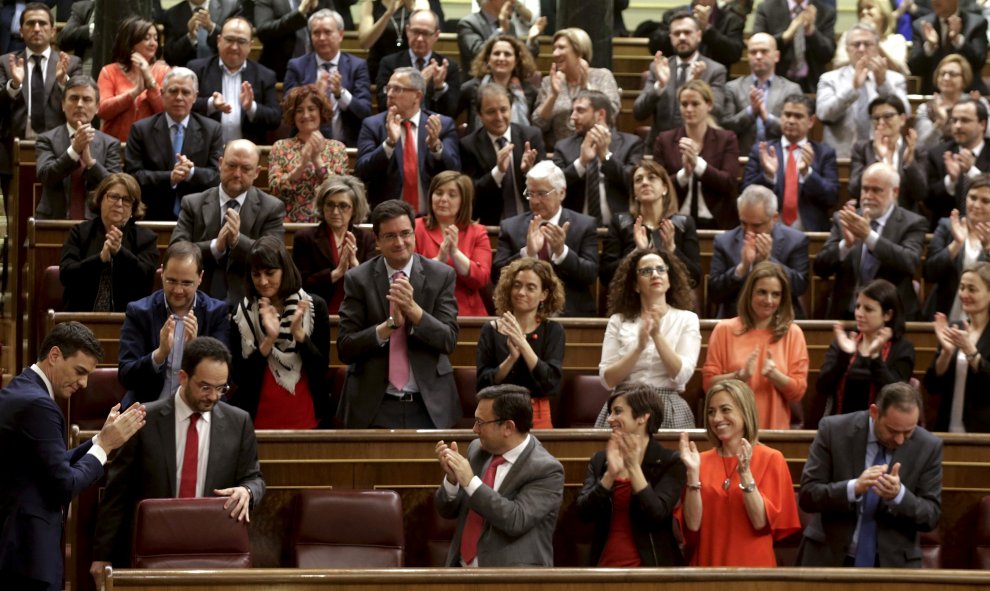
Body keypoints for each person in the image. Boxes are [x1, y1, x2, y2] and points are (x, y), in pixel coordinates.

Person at [90, 336, 266, 585]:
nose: (214, 396)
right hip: (153, 550)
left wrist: (248, 490)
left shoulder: (239, 423)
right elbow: (117, 492)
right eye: (205, 387)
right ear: (183, 377)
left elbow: (254, 477)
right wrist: (102, 556)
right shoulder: (144, 420)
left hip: (212, 548)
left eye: (221, 388)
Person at [0, 321, 145, 591]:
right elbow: (64, 484)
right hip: (26, 556)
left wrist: (100, 439)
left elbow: (52, 463)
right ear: (54, 355)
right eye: (79, 372)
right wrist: (105, 447)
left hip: (19, 551)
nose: (84, 383)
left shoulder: (24, 390)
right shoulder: (39, 404)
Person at [337, 199, 460, 429]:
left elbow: (448, 340)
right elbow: (345, 347)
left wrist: (415, 312)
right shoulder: (358, 279)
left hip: (429, 404)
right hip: (374, 405)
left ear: (414, 234)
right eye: (390, 236)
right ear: (377, 241)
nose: (400, 242)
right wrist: (389, 327)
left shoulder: (441, 276)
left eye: (405, 233)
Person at [797, 382, 942, 567]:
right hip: (829, 559)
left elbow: (931, 516)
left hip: (892, 566)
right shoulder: (834, 430)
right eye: (892, 430)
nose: (900, 440)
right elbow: (808, 495)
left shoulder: (928, 446)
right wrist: (853, 488)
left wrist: (899, 496)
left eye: (908, 432)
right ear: (874, 412)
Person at [434, 385, 565, 567]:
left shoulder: (547, 470)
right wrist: (452, 481)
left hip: (512, 580)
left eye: (480, 422)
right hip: (460, 572)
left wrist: (471, 482)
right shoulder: (478, 450)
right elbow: (447, 511)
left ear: (508, 427)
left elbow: (515, 520)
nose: (474, 429)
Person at [677, 379, 801, 565]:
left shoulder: (771, 458)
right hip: (707, 565)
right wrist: (693, 475)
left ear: (745, 412)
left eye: (725, 410)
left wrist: (745, 474)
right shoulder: (698, 461)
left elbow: (760, 522)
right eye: (711, 412)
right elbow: (693, 525)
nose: (717, 418)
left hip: (753, 569)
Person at [576, 383, 686, 567]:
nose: (610, 419)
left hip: (652, 571)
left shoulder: (670, 461)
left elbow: (656, 515)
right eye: (610, 412)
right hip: (604, 567)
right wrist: (609, 476)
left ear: (643, 416)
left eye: (618, 411)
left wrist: (634, 468)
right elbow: (583, 513)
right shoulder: (600, 460)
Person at [229, 236, 330, 429]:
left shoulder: (314, 306)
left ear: (285, 270)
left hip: (305, 411)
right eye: (256, 274)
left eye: (270, 273)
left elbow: (320, 369)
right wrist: (268, 340)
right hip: (257, 415)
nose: (263, 281)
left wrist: (299, 334)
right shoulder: (241, 313)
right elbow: (241, 377)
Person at [171, 139, 286, 305]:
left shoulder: (271, 207)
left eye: (246, 168)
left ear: (257, 172)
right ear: (220, 164)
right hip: (198, 300)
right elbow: (176, 251)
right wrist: (215, 247)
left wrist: (238, 241)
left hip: (251, 302)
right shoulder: (193, 203)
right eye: (231, 165)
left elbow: (274, 257)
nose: (237, 174)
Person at [595, 248, 700, 430]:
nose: (654, 274)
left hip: (666, 404)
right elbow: (608, 379)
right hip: (624, 402)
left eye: (661, 269)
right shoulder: (618, 321)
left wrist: (657, 336)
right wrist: (639, 348)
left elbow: (681, 374)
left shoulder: (687, 319)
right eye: (646, 271)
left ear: (669, 280)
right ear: (635, 285)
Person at [118, 241, 231, 407]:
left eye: (186, 283)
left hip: (199, 410)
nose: (178, 290)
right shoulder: (139, 312)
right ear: (162, 272)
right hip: (147, 411)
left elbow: (224, 376)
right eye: (171, 281)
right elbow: (126, 376)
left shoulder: (216, 313)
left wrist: (196, 348)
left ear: (200, 278)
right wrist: (159, 355)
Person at [703, 261, 809, 430]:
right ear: (750, 293)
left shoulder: (793, 333)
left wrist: (775, 375)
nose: (769, 300)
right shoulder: (724, 330)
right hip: (732, 430)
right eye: (762, 292)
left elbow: (798, 391)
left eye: (776, 294)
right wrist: (740, 376)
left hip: (774, 430)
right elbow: (709, 384)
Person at [816, 163, 928, 320]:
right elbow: (821, 269)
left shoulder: (912, 223)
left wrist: (868, 236)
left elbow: (909, 262)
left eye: (876, 190)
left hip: (892, 318)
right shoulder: (844, 219)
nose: (868, 196)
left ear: (895, 192)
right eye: (865, 189)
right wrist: (845, 246)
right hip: (847, 316)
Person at [493, 160, 599, 317]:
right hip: (521, 314)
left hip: (570, 314)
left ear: (561, 193)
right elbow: (497, 274)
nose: (535, 201)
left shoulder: (584, 225)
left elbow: (590, 275)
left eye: (542, 194)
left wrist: (562, 253)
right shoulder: (511, 227)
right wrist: (527, 254)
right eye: (530, 194)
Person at [0, 3, 82, 203]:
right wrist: (14, 85)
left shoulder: (70, 63)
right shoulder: (6, 62)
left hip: (58, 153)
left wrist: (64, 83)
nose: (37, 28)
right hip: (14, 153)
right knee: (16, 218)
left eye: (42, 23)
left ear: (53, 30)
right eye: (30, 23)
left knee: (55, 218)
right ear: (21, 30)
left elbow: (82, 106)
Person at [124, 67, 223, 221]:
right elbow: (132, 176)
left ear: (195, 97)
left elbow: (217, 176)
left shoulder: (212, 130)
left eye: (186, 92)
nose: (179, 97)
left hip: (197, 218)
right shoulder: (141, 129)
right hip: (151, 215)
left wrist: (190, 173)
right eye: (173, 91)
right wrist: (170, 177)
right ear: (162, 94)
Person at [477, 257, 565, 429]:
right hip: (496, 414)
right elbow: (482, 384)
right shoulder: (491, 330)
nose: (521, 292)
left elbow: (551, 384)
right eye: (517, 285)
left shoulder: (553, 330)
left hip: (537, 414)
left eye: (530, 288)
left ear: (544, 294)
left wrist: (523, 345)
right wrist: (511, 359)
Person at [357, 66, 460, 211]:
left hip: (431, 218)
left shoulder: (441, 124)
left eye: (397, 89)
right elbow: (362, 173)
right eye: (389, 88)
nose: (390, 94)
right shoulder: (373, 125)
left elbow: (455, 171)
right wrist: (389, 144)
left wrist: (436, 146)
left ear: (417, 96)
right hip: (388, 218)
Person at [817, 279, 915, 420]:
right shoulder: (844, 342)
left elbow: (897, 398)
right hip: (841, 426)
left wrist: (875, 357)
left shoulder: (902, 348)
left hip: (880, 430)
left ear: (888, 315)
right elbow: (823, 387)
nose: (859, 313)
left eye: (868, 309)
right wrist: (844, 356)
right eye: (857, 307)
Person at [58, 172, 158, 312]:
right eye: (113, 197)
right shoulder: (80, 232)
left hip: (129, 320)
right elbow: (66, 275)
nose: (119, 204)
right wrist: (100, 259)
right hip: (81, 317)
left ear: (132, 208)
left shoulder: (146, 238)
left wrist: (119, 252)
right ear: (100, 199)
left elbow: (146, 282)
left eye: (126, 200)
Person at [708, 184, 809, 319]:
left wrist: (769, 261)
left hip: (780, 320)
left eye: (756, 225)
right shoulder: (724, 242)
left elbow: (799, 287)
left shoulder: (795, 240)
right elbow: (714, 293)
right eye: (744, 223)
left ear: (774, 218)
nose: (749, 231)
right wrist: (742, 268)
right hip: (735, 320)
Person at [741, 94, 838, 232]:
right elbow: (745, 193)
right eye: (787, 115)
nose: (791, 120)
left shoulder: (824, 153)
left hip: (810, 233)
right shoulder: (762, 151)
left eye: (798, 116)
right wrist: (768, 176)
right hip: (768, 232)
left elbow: (831, 198)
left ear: (811, 121)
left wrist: (807, 173)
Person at [652, 79, 739, 231]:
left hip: (717, 221)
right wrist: (684, 174)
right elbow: (658, 186)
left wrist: (697, 164)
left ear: (709, 105)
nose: (689, 109)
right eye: (684, 104)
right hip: (674, 222)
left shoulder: (727, 139)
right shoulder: (664, 140)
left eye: (695, 104)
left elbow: (729, 183)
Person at [815, 23, 910, 159]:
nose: (862, 49)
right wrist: (852, 89)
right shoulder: (830, 79)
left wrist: (883, 84)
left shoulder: (895, 79)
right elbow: (824, 114)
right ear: (847, 49)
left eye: (867, 44)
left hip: (882, 157)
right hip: (841, 157)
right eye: (856, 44)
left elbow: (904, 114)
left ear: (877, 48)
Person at [633, 12, 727, 149]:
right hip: (660, 148)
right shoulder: (658, 68)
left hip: (700, 148)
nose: (682, 37)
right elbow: (639, 113)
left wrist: (697, 86)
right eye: (677, 34)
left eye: (687, 32)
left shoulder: (715, 70)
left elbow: (717, 112)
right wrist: (660, 86)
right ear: (670, 38)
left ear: (699, 35)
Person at [601, 160, 700, 288]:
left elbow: (695, 279)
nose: (645, 183)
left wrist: (672, 250)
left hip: (673, 299)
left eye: (651, 178)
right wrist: (636, 252)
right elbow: (605, 277)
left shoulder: (683, 224)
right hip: (631, 298)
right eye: (638, 180)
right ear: (634, 193)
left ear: (665, 188)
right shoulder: (621, 223)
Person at [552, 89, 644, 226]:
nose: (573, 116)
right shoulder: (563, 147)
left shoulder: (631, 144)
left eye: (580, 111)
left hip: (621, 229)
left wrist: (606, 157)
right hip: (575, 228)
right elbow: (554, 186)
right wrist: (581, 163)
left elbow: (633, 184)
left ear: (600, 114)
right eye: (573, 111)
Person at [35, 74, 121, 219]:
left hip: (96, 224)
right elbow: (46, 177)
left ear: (97, 107)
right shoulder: (46, 139)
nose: (80, 104)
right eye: (74, 98)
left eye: (87, 99)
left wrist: (91, 163)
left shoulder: (110, 143)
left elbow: (115, 188)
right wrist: (74, 151)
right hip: (53, 222)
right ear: (63, 104)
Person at [459, 82, 545, 226]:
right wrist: (498, 172)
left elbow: (548, 186)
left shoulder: (531, 136)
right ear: (480, 115)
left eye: (504, 110)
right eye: (491, 111)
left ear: (511, 109)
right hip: (493, 226)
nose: (499, 117)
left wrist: (529, 172)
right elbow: (472, 194)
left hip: (533, 221)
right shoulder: (468, 145)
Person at [284, 9, 373, 147]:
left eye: (327, 32)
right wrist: (313, 92)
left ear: (341, 35)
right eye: (316, 33)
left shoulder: (357, 66)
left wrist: (340, 93)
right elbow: (287, 107)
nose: (322, 38)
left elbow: (364, 111)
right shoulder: (297, 65)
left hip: (347, 147)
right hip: (304, 146)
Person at [187, 16, 281, 147]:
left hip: (248, 157)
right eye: (229, 40)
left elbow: (275, 119)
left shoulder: (265, 76)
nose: (234, 47)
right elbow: (185, 105)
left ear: (250, 45)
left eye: (241, 41)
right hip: (205, 153)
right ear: (219, 41)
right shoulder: (197, 70)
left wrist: (251, 108)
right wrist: (210, 104)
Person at [292, 175, 376, 314]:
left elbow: (374, 285)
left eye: (343, 206)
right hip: (317, 311)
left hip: (358, 312)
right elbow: (300, 284)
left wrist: (355, 266)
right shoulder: (305, 238)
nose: (336, 212)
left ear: (354, 209)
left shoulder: (366, 239)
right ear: (322, 206)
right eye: (330, 205)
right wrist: (336, 274)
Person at [414, 171, 492, 316]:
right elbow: (409, 274)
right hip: (426, 310)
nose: (443, 199)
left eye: (452, 195)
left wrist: (455, 254)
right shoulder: (416, 228)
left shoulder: (477, 232)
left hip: (468, 312)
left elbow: (481, 278)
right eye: (439, 193)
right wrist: (438, 261)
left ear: (463, 200)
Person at [924, 262, 990, 432]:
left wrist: (971, 352)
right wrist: (946, 353)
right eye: (961, 288)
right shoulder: (955, 328)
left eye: (972, 289)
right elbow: (932, 385)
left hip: (982, 431)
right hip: (946, 426)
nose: (964, 294)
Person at [268, 84, 348, 222]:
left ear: (321, 112)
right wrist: (301, 166)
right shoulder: (280, 147)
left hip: (327, 224)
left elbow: (341, 191)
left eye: (311, 109)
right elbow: (275, 190)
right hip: (289, 224)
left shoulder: (337, 148)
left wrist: (317, 161)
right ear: (293, 115)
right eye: (299, 110)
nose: (305, 115)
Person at [532, 27, 620, 148]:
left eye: (561, 48)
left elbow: (611, 115)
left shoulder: (602, 76)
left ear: (579, 51)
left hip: (598, 148)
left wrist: (586, 88)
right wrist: (552, 97)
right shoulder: (549, 81)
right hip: (562, 153)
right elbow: (538, 124)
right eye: (554, 49)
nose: (555, 54)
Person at [720, 33, 803, 157]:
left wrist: (767, 118)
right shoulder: (732, 87)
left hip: (780, 160)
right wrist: (750, 112)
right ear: (747, 56)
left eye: (764, 51)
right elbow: (725, 128)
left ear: (776, 56)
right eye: (753, 52)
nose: (758, 56)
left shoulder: (791, 89)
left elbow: (797, 130)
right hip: (742, 160)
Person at [96, 16, 171, 143]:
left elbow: (167, 112)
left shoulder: (163, 71)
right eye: (147, 38)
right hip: (114, 147)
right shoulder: (109, 71)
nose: (153, 43)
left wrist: (150, 81)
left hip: (150, 147)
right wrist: (134, 93)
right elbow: (102, 111)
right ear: (131, 41)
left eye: (156, 38)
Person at [374, 9, 461, 118]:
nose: (420, 39)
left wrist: (440, 87)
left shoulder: (447, 67)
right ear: (407, 31)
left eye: (425, 33)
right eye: (415, 32)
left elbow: (451, 112)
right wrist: (420, 81)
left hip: (436, 127)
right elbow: (383, 106)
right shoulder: (389, 63)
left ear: (436, 35)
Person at [924, 176, 990, 319]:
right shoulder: (947, 227)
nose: (977, 205)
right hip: (944, 314)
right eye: (972, 198)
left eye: (985, 201)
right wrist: (956, 245)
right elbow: (929, 273)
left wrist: (988, 249)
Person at [848, 95, 926, 215]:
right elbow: (854, 189)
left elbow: (920, 193)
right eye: (876, 118)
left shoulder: (916, 149)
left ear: (902, 119)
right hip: (869, 216)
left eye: (887, 116)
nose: (881, 122)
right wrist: (879, 159)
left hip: (906, 220)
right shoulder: (862, 149)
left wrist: (910, 163)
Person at [924, 96, 990, 226]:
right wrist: (951, 182)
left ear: (982, 124)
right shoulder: (938, 154)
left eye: (965, 120)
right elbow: (929, 202)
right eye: (954, 121)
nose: (957, 126)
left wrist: (972, 172)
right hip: (947, 231)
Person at [458, 34, 539, 133]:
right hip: (478, 146)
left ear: (516, 60)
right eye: (496, 53)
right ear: (488, 59)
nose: (501, 58)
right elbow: (449, 113)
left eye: (507, 54)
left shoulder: (529, 91)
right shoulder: (472, 87)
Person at [752, 0, 837, 94]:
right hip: (776, 82)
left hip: (811, 84)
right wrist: (785, 36)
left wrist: (812, 33)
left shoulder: (825, 11)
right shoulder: (766, 8)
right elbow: (756, 46)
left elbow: (828, 54)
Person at [908, 0, 988, 95]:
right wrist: (930, 46)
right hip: (933, 95)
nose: (935, 1)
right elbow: (914, 68)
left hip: (968, 94)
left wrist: (958, 40)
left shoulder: (976, 23)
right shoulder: (921, 25)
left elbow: (979, 61)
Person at [361, 1, 447, 86]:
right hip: (379, 67)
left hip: (410, 66)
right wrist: (388, 14)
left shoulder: (420, 3)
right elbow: (365, 44)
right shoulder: (370, 4)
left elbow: (424, 31)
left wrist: (411, 8)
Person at [915, 55, 986, 150]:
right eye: (942, 74)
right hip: (935, 161)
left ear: (964, 78)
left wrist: (977, 113)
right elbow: (921, 147)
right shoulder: (926, 108)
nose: (946, 78)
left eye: (952, 74)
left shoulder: (978, 102)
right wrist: (939, 123)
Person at [650, 0, 744, 69]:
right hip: (676, 78)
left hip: (713, 81)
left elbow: (734, 55)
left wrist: (707, 29)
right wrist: (680, 31)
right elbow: (655, 47)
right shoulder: (672, 15)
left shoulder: (733, 20)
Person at [254, 0, 334, 81]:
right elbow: (263, 32)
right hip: (280, 73)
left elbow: (335, 26)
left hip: (317, 71)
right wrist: (300, 13)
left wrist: (316, 9)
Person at [832, 0, 909, 74]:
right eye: (860, 9)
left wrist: (873, 41)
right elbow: (838, 66)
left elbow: (900, 71)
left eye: (869, 7)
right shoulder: (847, 37)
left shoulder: (897, 40)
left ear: (883, 13)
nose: (863, 12)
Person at [161, 0, 243, 68]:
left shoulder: (231, 7)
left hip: (222, 71)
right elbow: (170, 58)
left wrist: (211, 28)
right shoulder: (172, 14)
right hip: (186, 77)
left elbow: (235, 45)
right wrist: (190, 37)